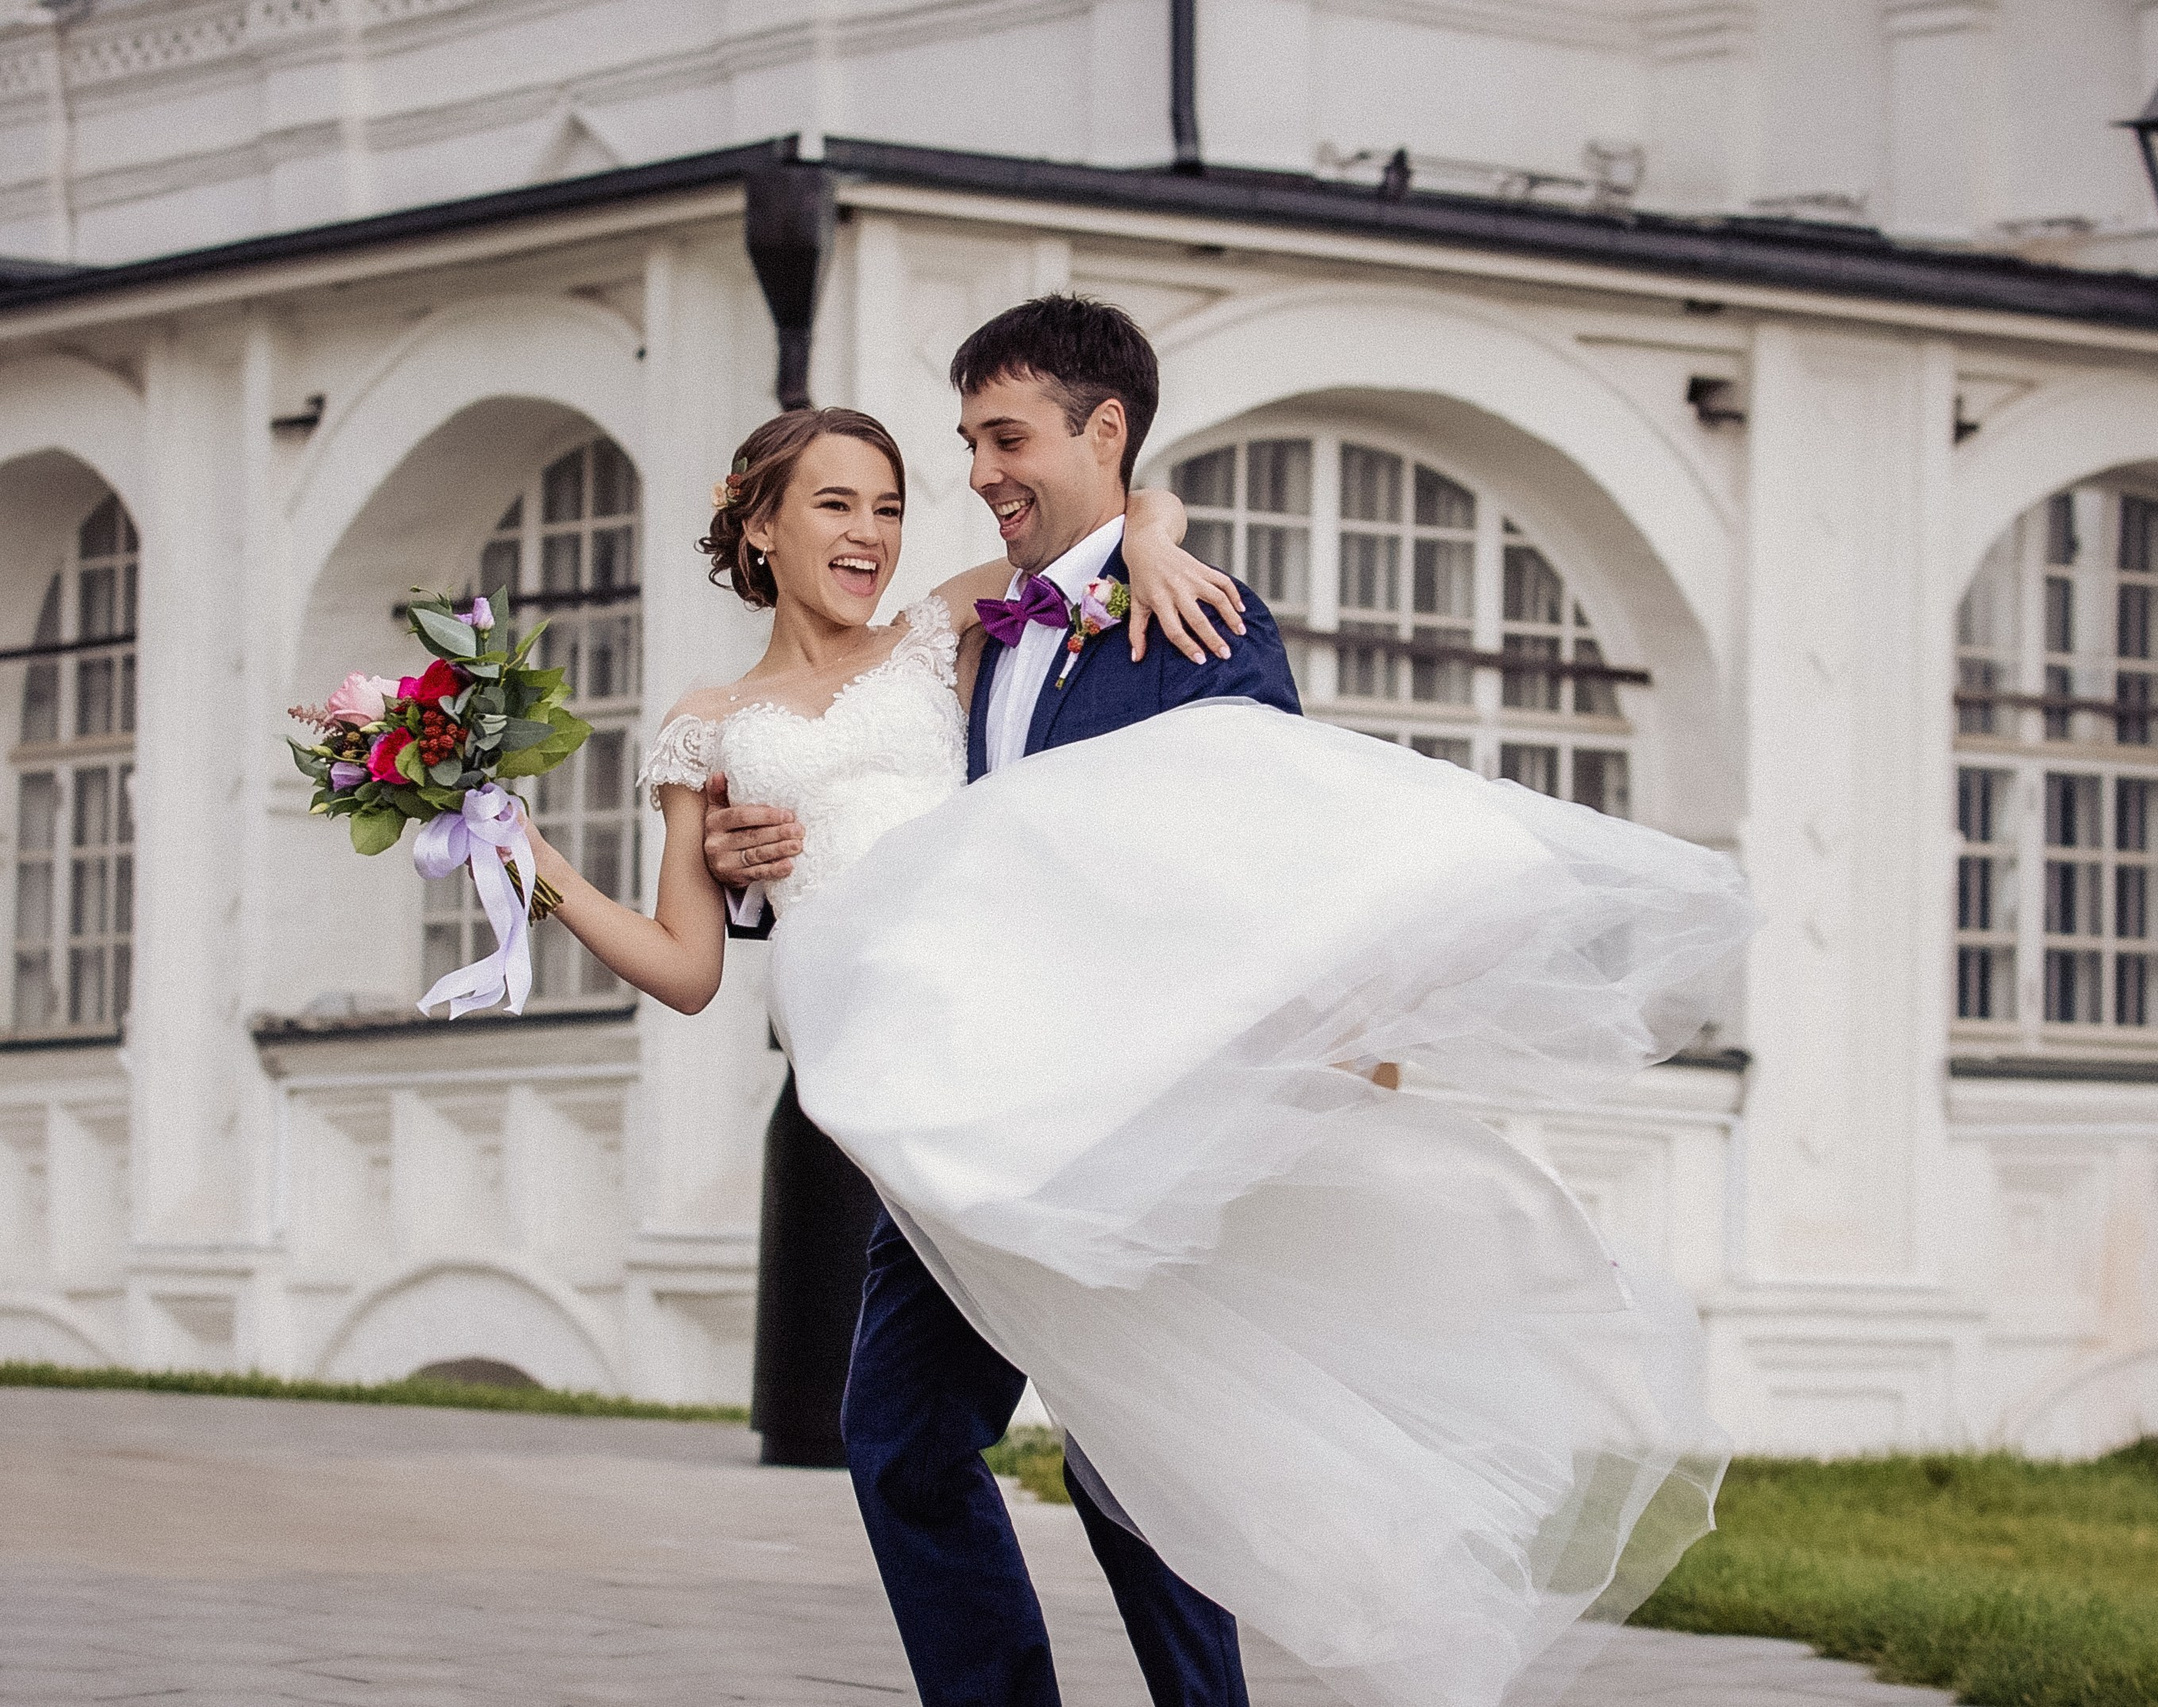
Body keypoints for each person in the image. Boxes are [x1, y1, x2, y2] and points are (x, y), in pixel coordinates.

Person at [523, 296, 1753, 1707]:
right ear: (759, 529)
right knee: (905, 1439)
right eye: (945, 455)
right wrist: (637, 866)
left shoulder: (1135, 618)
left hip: (1130, 1099)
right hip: (932, 1115)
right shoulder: (905, 658)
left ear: (1098, 433)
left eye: (987, 448)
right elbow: (763, 906)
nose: (956, 487)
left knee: (1135, 1447)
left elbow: (1281, 842)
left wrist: (1157, 534)